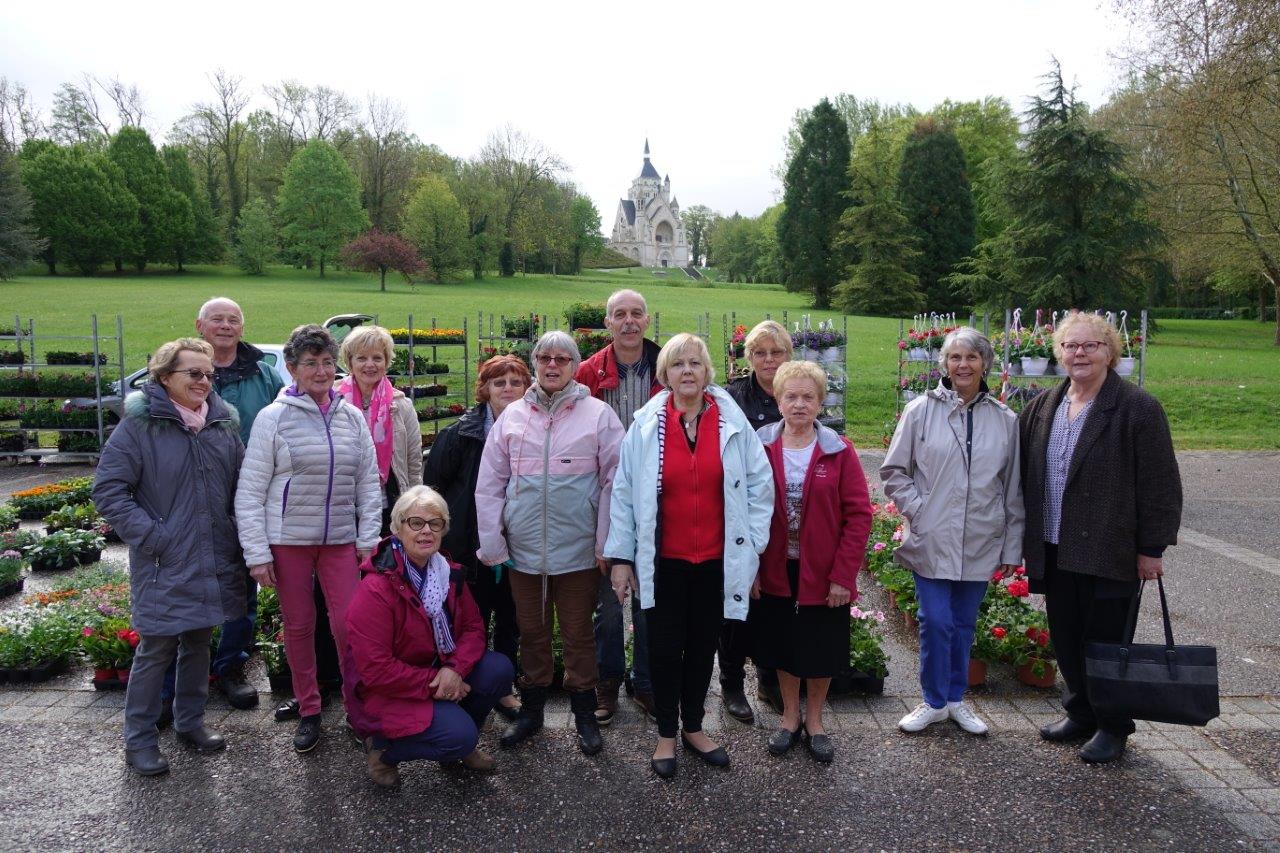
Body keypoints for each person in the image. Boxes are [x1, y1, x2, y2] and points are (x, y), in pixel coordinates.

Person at [606, 333, 773, 779]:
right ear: (665, 374)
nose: (687, 372)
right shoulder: (645, 426)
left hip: (716, 560)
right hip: (664, 562)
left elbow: (761, 488)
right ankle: (665, 733)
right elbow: (623, 494)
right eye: (678, 364)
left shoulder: (731, 423)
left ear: (707, 372)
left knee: (702, 647)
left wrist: (752, 547)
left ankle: (695, 727)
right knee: (662, 649)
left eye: (695, 364)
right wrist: (621, 557)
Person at [1020, 311, 1182, 764]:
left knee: (1107, 643)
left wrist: (1152, 548)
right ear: (1059, 354)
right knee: (1067, 639)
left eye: (1090, 345)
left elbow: (1161, 483)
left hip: (1111, 549)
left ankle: (1114, 725)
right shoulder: (1043, 406)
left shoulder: (1136, 407)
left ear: (1110, 352)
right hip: (1055, 546)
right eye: (1071, 346)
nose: (1080, 354)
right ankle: (1082, 712)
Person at [93, 338, 246, 776]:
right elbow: (108, 490)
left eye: (209, 374)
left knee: (199, 641)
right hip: (165, 559)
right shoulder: (140, 426)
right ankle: (138, 740)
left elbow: (241, 487)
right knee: (157, 648)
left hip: (213, 553)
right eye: (193, 373)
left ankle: (189, 722)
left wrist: (237, 533)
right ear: (164, 377)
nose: (203, 381)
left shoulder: (221, 425)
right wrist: (153, 537)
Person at [235, 324, 382, 754]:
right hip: (288, 540)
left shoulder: (350, 416)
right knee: (299, 626)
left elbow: (368, 484)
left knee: (349, 625)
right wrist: (257, 553)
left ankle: (359, 711)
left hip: (339, 539)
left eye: (325, 363)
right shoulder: (273, 418)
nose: (320, 371)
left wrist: (367, 537)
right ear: (293, 369)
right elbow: (251, 489)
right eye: (309, 364)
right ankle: (310, 708)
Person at [475, 331, 624, 756]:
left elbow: (615, 483)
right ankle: (532, 712)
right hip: (524, 553)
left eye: (562, 358)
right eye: (545, 358)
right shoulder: (512, 418)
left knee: (578, 635)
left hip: (577, 552)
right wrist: (493, 543)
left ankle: (582, 714)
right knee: (533, 632)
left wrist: (605, 545)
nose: (552, 365)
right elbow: (489, 485)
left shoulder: (598, 415)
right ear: (535, 363)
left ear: (576, 365)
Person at [881, 327, 1024, 738]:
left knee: (963, 624)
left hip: (981, 538)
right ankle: (931, 701)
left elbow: (1013, 488)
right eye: (955, 358)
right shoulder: (919, 411)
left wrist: (1012, 545)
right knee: (935, 620)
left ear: (985, 365)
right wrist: (919, 512)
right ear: (943, 364)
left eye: (971, 358)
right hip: (933, 537)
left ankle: (956, 701)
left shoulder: (1005, 420)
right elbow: (893, 471)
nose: (963, 365)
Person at [153, 298, 283, 715]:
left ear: (242, 327)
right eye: (217, 319)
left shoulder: (263, 373)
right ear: (200, 325)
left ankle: (230, 667)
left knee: (239, 588)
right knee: (181, 592)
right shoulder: (178, 374)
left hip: (243, 494)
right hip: (185, 498)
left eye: (233, 319)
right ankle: (175, 681)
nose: (225, 326)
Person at [346, 486, 515, 788]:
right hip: (388, 691)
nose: (426, 531)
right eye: (415, 523)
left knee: (498, 670)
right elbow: (376, 670)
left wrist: (454, 670)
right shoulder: (376, 590)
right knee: (457, 735)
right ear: (397, 528)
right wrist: (436, 684)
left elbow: (474, 630)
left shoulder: (449, 574)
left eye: (435, 523)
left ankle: (459, 746)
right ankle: (383, 752)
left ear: (443, 530)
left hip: (440, 671)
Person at [751, 360, 872, 763]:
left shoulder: (839, 451)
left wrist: (843, 576)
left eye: (808, 397)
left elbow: (859, 516)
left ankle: (816, 722)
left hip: (824, 572)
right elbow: (742, 509)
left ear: (821, 403)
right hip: (775, 568)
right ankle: (789, 718)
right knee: (784, 645)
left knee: (820, 647)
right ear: (778, 400)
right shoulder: (760, 446)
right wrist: (749, 569)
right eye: (791, 396)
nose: (799, 404)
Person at [423, 354, 531, 723]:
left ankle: (503, 689)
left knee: (511, 619)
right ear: (484, 389)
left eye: (516, 382)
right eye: (499, 383)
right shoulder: (460, 434)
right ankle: (467, 684)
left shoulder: (533, 431)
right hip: (469, 549)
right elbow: (433, 488)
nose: (507, 389)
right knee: (472, 621)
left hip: (516, 546)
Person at [574, 288, 662, 725]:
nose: (629, 322)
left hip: (660, 500)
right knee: (608, 602)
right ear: (607, 323)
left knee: (648, 596)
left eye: (636, 314)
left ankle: (644, 681)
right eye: (619, 315)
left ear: (648, 321)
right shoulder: (588, 372)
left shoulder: (667, 367)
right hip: (606, 499)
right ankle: (606, 682)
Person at [720, 319, 793, 721]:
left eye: (776, 352)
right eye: (760, 353)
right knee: (738, 596)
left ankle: (768, 677)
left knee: (776, 599)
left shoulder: (798, 390)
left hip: (788, 513)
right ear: (749, 357)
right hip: (741, 512)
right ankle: (731, 683)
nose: (768, 360)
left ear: (788, 355)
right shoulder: (732, 399)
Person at [337, 325, 422, 534]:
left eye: (377, 358)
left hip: (388, 503)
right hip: (342, 505)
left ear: (386, 362)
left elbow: (413, 461)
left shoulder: (401, 405)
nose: (369, 365)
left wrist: (414, 503)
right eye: (361, 358)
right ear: (350, 362)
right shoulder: (332, 402)